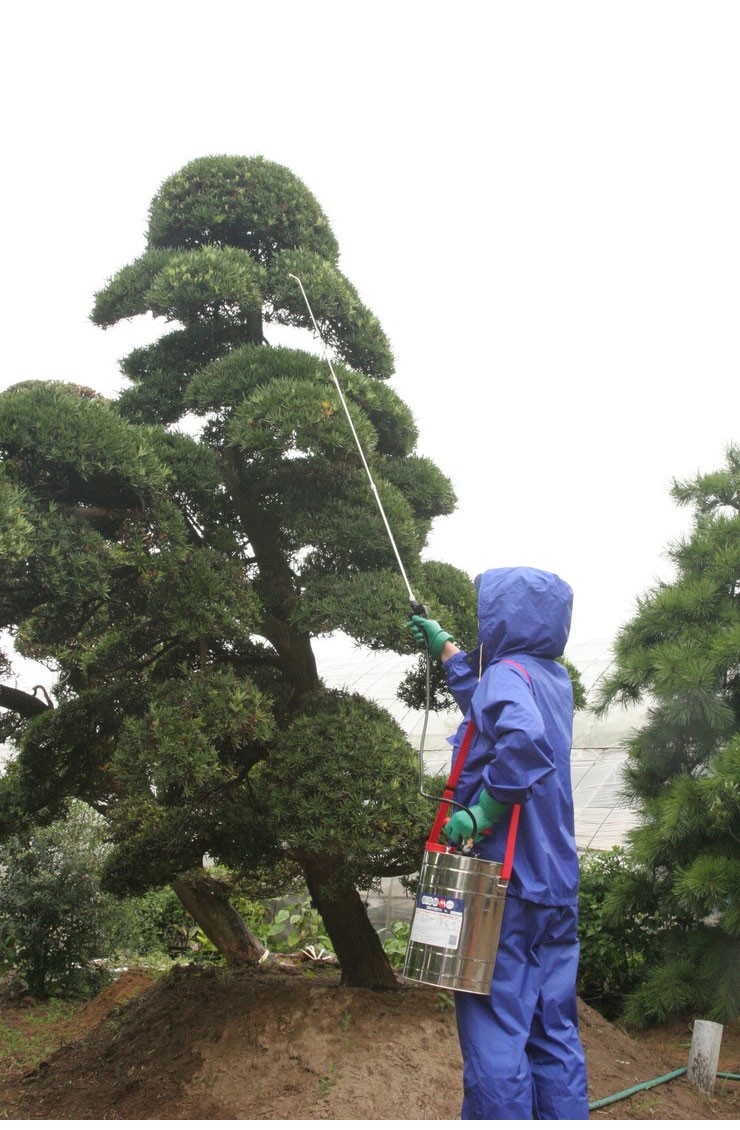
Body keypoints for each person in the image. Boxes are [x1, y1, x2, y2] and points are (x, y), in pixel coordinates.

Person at [409, 566, 589, 1121]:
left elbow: (522, 740)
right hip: (554, 888)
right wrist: (447, 651)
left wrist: (484, 811)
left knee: (496, 1031)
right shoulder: (550, 681)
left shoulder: (507, 676)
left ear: (501, 620)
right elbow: (492, 706)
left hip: (503, 889)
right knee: (551, 1031)